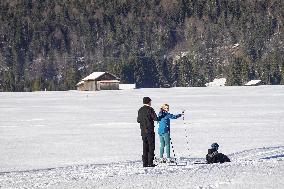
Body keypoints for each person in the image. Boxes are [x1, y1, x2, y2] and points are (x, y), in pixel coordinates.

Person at [137, 97, 163, 167]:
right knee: (151, 146)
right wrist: (162, 115)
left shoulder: (140, 110)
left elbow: (138, 120)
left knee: (145, 147)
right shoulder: (150, 109)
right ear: (148, 102)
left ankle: (145, 163)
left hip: (143, 131)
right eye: (150, 101)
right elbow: (156, 118)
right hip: (150, 131)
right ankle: (150, 162)